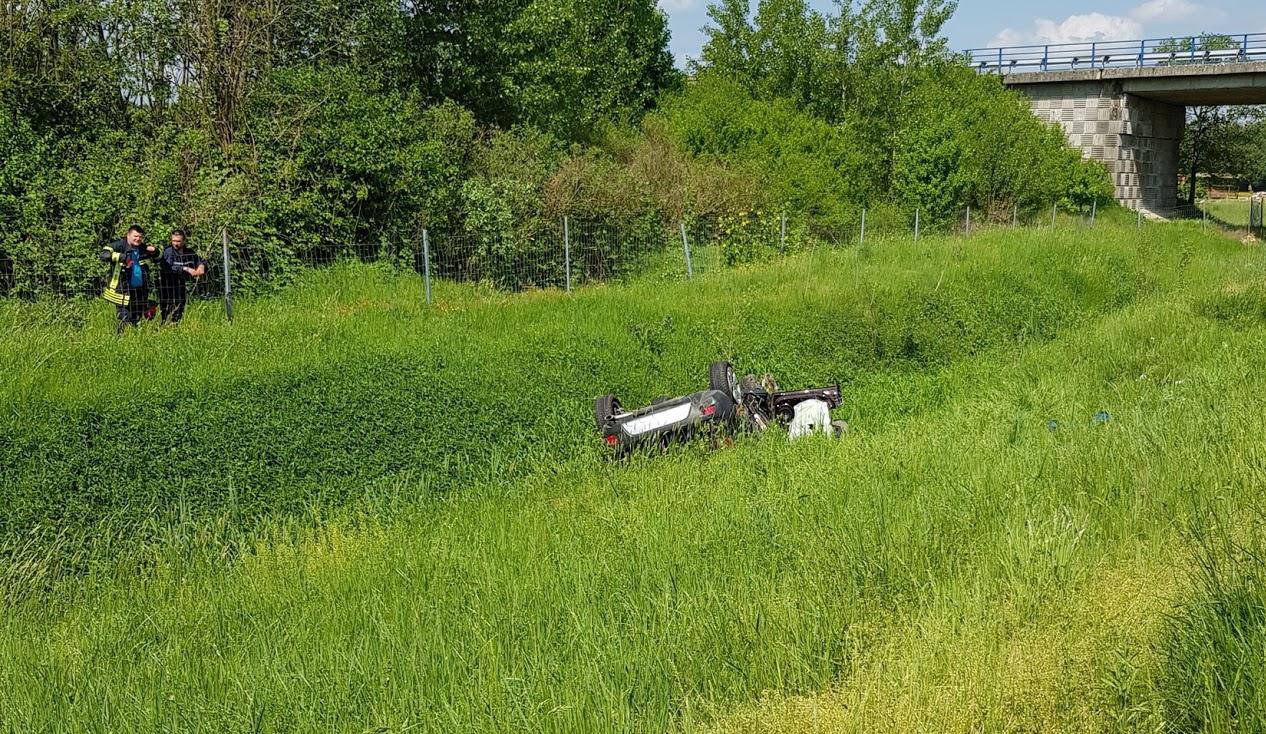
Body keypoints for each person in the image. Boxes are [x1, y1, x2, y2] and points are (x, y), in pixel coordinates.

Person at [100, 225, 158, 332]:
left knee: (137, 317)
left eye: (140, 237)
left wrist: (154, 250)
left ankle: (135, 338)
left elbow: (157, 256)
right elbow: (104, 254)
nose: (138, 239)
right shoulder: (119, 245)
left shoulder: (141, 247)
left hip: (139, 289)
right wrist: (123, 257)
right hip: (123, 288)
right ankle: (120, 340)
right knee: (124, 317)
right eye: (135, 236)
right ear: (128, 235)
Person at [158, 228, 207, 324]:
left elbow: (201, 260)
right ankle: (165, 325)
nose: (176, 243)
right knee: (167, 308)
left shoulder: (189, 252)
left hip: (181, 285)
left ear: (184, 241)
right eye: (173, 241)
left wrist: (201, 266)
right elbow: (167, 267)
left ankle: (175, 325)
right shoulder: (168, 252)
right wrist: (186, 269)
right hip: (168, 285)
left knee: (180, 306)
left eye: (178, 241)